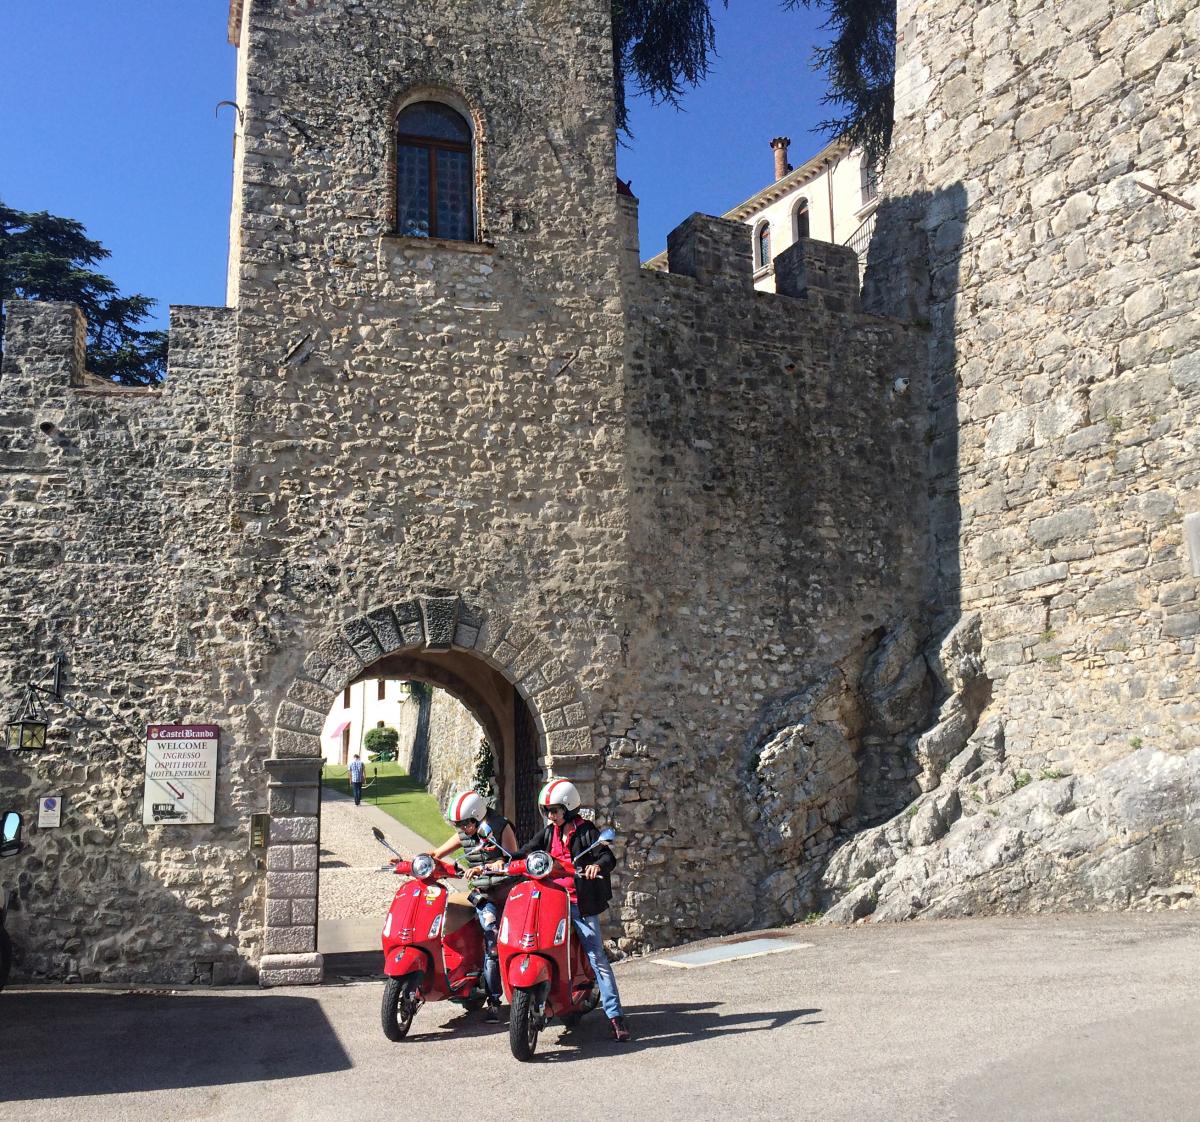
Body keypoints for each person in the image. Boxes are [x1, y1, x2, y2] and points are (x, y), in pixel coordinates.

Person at [499, 778, 632, 1042]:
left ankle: (615, 1016)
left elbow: (607, 856)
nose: (550, 815)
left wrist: (598, 867)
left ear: (569, 808)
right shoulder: (549, 832)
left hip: (577, 902)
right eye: (547, 810)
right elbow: (526, 852)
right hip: (550, 900)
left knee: (597, 956)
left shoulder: (587, 831)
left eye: (555, 810)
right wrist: (502, 860)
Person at [429, 790, 518, 1023]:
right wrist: (418, 861)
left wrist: (495, 864)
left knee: (503, 942)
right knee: (488, 939)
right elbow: (438, 853)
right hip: (484, 894)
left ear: (477, 817)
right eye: (458, 825)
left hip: (506, 892)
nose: (461, 829)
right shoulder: (464, 832)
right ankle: (483, 990)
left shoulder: (501, 826)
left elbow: (512, 857)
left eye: (464, 824)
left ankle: (506, 996)